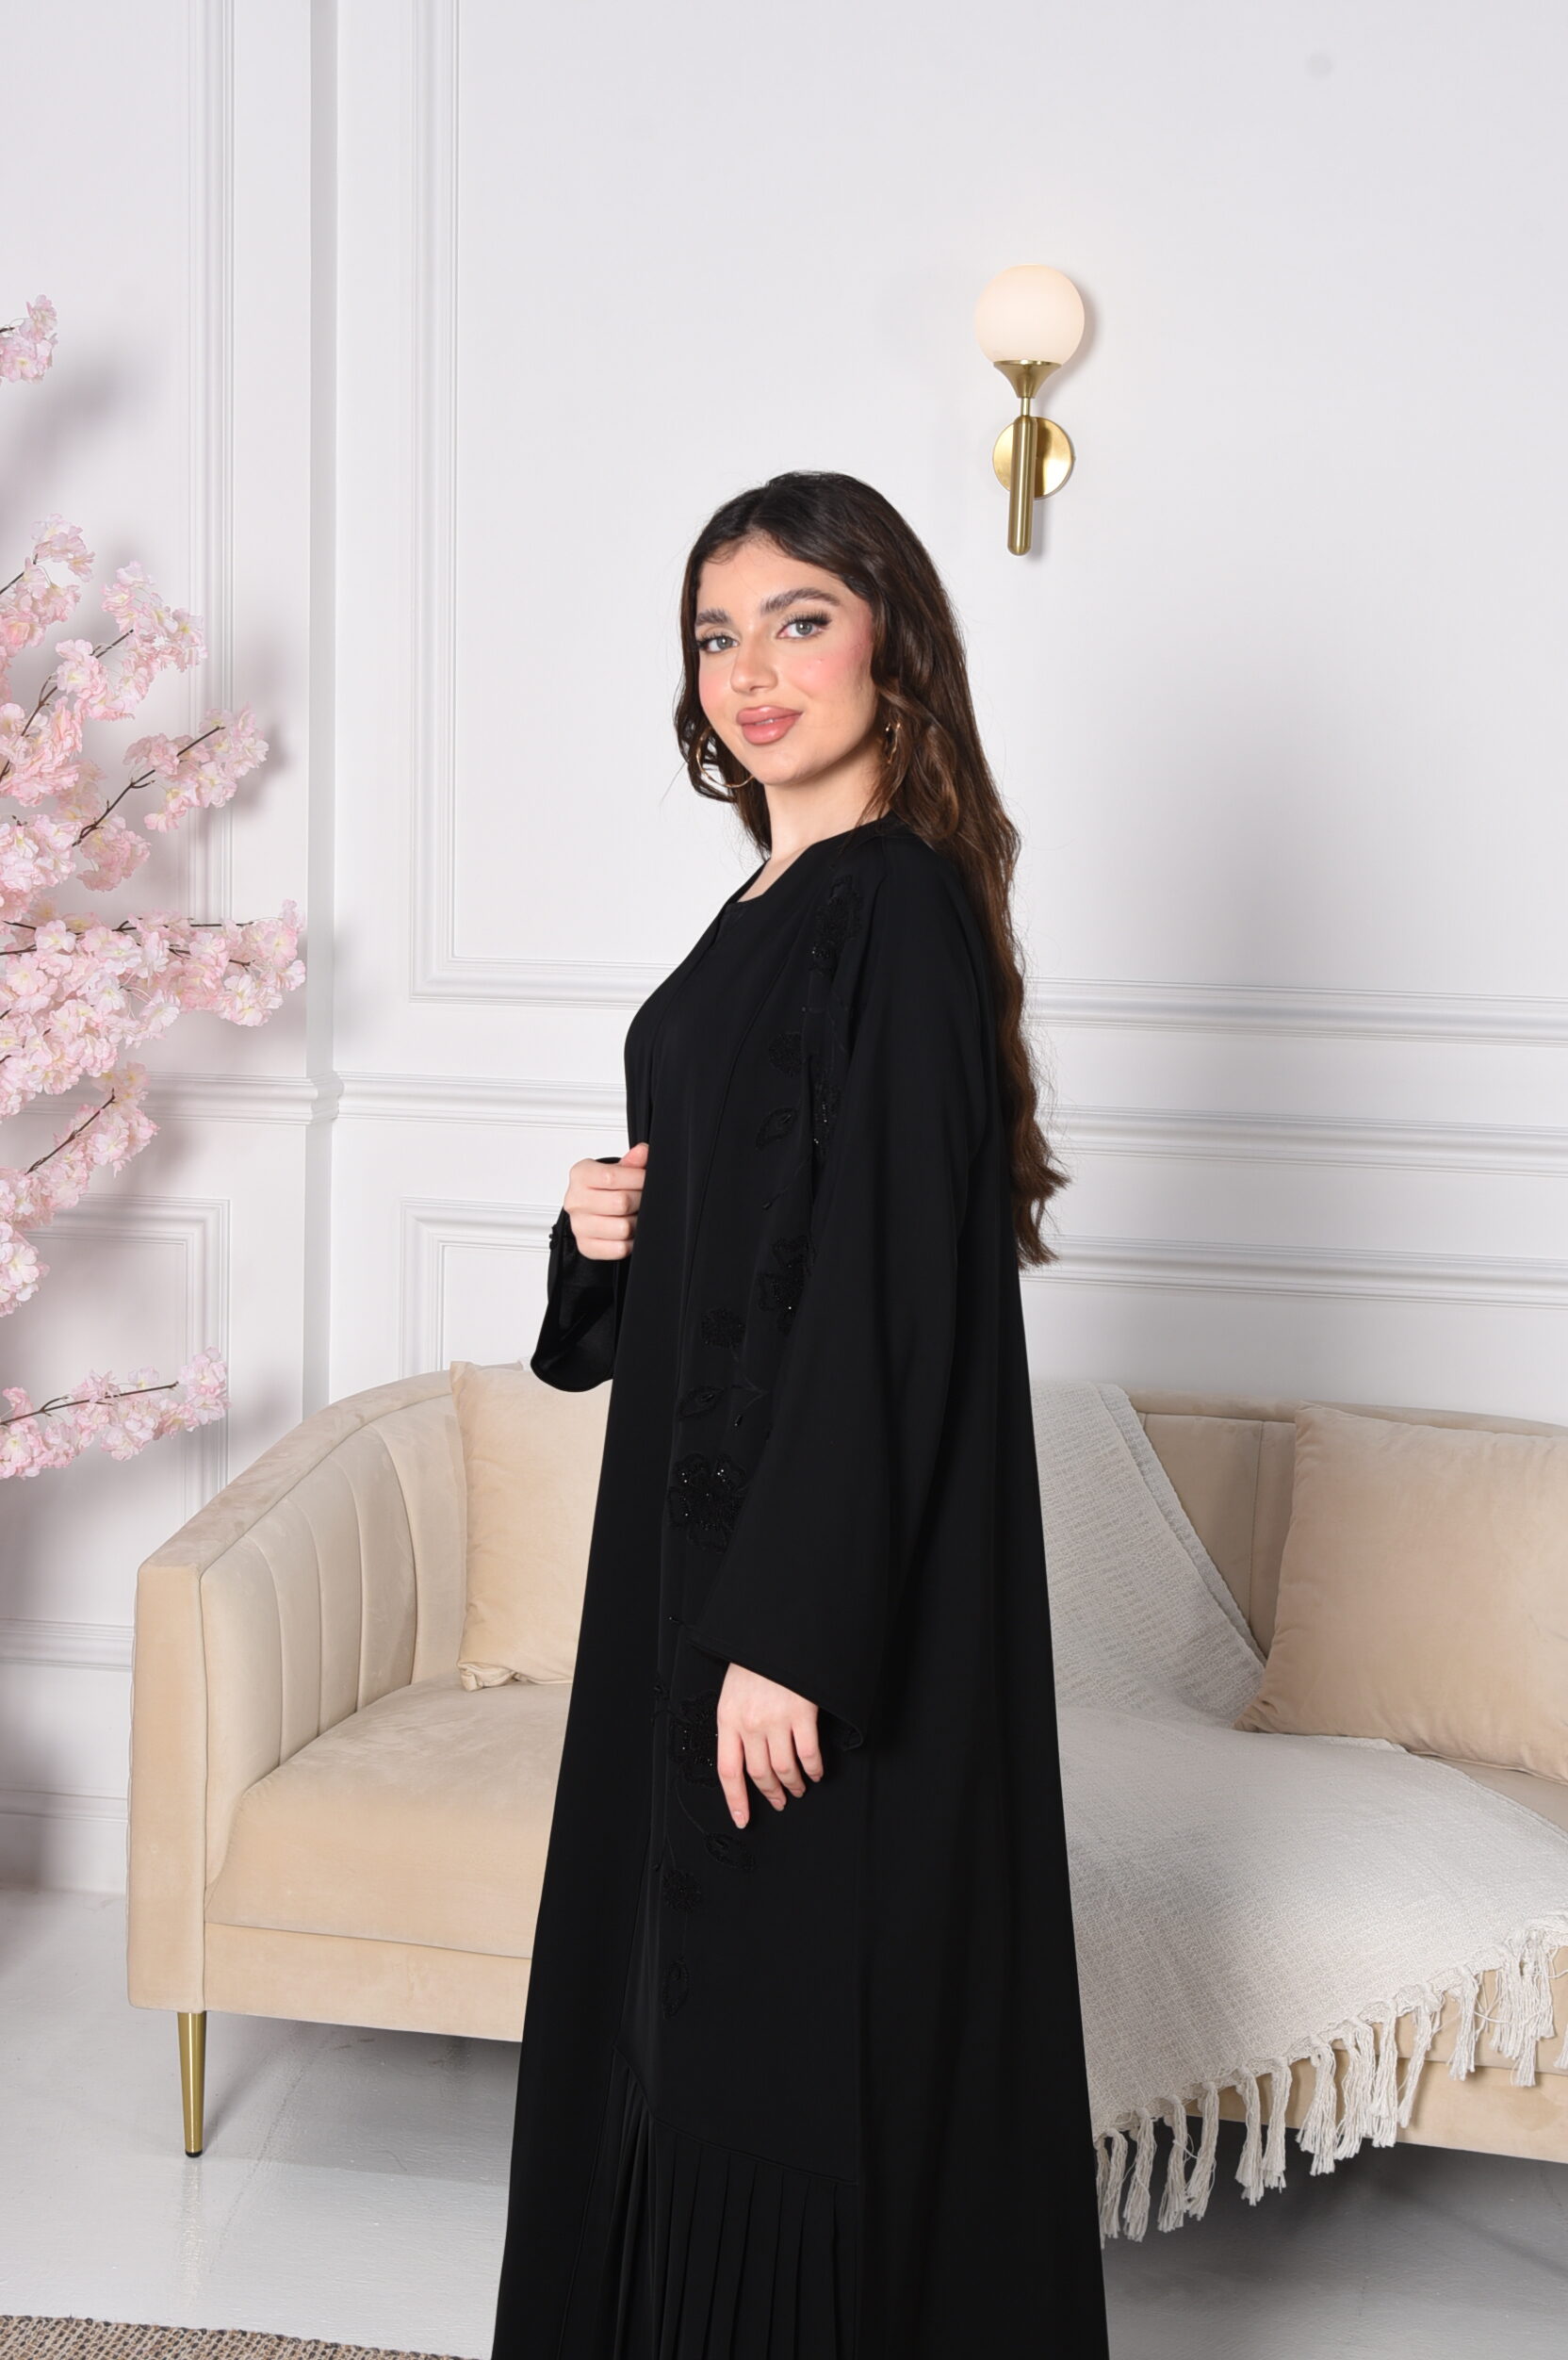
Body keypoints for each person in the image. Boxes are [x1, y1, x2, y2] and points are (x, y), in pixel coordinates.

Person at [488, 470, 1108, 2357]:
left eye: (799, 621)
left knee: (785, 2036)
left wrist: (790, 1632)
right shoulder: (761, 903)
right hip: (690, 1552)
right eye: (716, 635)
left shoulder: (893, 906)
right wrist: (600, 1230)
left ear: (891, 643)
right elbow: (747, 1240)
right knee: (674, 2008)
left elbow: (886, 1293)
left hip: (794, 1591)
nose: (750, 670)